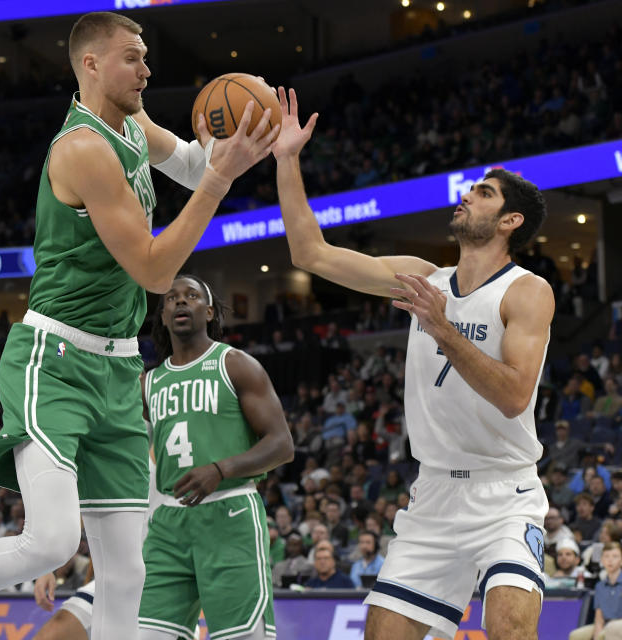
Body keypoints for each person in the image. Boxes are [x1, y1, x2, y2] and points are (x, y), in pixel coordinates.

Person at [0, 11, 278, 640]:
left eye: (146, 55)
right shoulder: (82, 148)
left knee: (128, 571)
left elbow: (190, 165)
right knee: (51, 541)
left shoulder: (132, 124)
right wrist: (220, 175)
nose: (147, 68)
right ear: (91, 64)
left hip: (120, 365)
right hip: (54, 360)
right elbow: (157, 271)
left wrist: (253, 131)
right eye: (133, 56)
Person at [273, 87, 553, 639]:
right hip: (433, 495)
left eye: (484, 192)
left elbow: (515, 394)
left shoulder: (527, 291)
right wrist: (286, 159)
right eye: (470, 188)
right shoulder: (424, 278)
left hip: (505, 492)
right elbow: (311, 253)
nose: (467, 195)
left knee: (511, 629)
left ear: (510, 221)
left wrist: (442, 328)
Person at [138, 275, 292, 639]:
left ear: (208, 312)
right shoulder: (148, 383)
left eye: (191, 296)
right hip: (168, 523)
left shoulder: (235, 364)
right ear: (162, 316)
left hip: (230, 513)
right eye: (171, 298)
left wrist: (222, 469)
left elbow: (282, 444)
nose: (179, 302)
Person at [569, 542, 622, 640]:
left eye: (615, 556)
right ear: (602, 560)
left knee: (612, 629)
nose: (610, 560)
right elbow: (599, 619)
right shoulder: (599, 586)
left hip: (619, 625)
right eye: (606, 556)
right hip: (605, 624)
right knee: (576, 635)